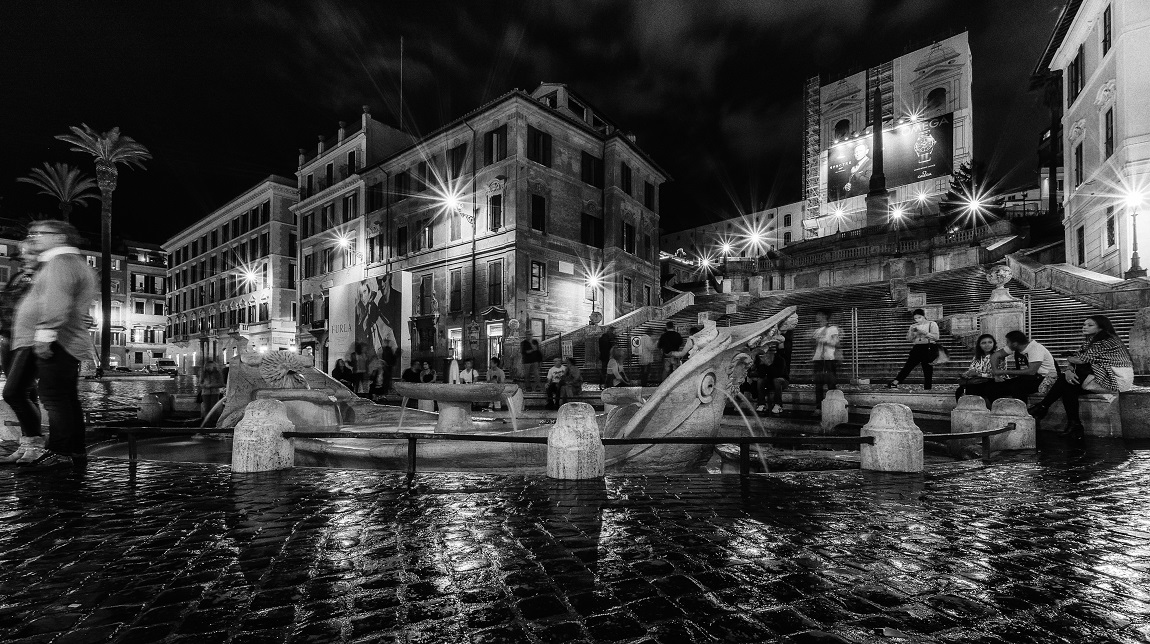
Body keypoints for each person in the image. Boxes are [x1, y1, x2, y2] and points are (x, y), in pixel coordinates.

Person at [5, 220, 97, 472]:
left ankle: (61, 452)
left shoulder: (61, 262)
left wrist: (45, 335)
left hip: (58, 340)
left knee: (56, 399)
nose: (34, 238)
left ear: (59, 237)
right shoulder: (63, 263)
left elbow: (58, 300)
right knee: (63, 398)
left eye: (39, 234)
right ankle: (72, 452)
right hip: (56, 338)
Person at [1029, 316, 1134, 438]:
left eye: (1090, 325)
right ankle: (1074, 424)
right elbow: (1078, 359)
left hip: (1115, 379)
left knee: (1066, 382)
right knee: (1068, 386)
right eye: (1084, 324)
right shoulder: (1091, 341)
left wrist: (1069, 361)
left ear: (1101, 327)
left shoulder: (1108, 341)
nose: (1085, 327)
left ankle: (1043, 407)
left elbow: (1080, 360)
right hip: (1102, 376)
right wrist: (1069, 370)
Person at [0, 241, 40, 464]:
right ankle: (26, 443)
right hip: (7, 337)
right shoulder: (17, 278)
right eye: (21, 256)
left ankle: (35, 444)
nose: (23, 259)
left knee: (14, 392)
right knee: (26, 394)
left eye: (28, 254)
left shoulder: (41, 277)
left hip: (26, 338)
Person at [988, 330, 1056, 402]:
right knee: (993, 386)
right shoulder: (1016, 347)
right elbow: (995, 356)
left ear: (1015, 344)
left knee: (1017, 387)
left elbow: (1031, 371)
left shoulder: (1035, 348)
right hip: (1026, 378)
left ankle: (1022, 411)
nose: (1006, 344)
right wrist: (996, 373)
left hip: (1043, 379)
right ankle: (999, 409)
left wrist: (1003, 372)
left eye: (1008, 342)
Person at [888, 309, 940, 390]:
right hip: (917, 348)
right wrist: (912, 333)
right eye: (915, 318)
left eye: (919, 317)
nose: (918, 319)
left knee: (927, 370)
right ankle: (895, 382)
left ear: (924, 316)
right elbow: (909, 339)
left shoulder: (932, 324)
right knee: (908, 366)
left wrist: (923, 332)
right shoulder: (913, 326)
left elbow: (936, 337)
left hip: (929, 347)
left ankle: (927, 388)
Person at [811, 309, 841, 416]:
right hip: (818, 360)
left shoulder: (833, 329)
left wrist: (825, 341)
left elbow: (836, 342)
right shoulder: (817, 331)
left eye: (819, 314)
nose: (817, 316)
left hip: (829, 359)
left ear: (824, 316)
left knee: (831, 384)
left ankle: (833, 407)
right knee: (818, 385)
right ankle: (818, 407)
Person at [955, 334, 998, 403]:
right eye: (984, 343)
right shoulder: (977, 357)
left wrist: (979, 374)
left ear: (994, 344)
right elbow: (972, 369)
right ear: (979, 345)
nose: (987, 345)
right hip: (978, 381)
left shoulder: (998, 356)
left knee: (977, 390)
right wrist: (966, 374)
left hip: (993, 381)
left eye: (990, 342)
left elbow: (998, 373)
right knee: (959, 391)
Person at [753, 342, 789, 415]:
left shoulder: (780, 359)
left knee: (777, 380)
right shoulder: (762, 360)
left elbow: (778, 374)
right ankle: (761, 404)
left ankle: (778, 405)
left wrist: (769, 365)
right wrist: (762, 366)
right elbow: (761, 375)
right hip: (769, 381)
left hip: (782, 380)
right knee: (760, 381)